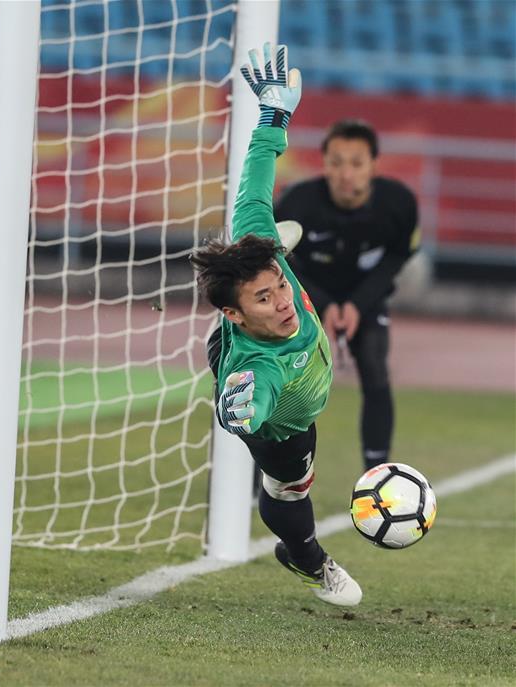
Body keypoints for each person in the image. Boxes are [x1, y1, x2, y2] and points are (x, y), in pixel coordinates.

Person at [191, 43, 361, 606]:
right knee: (289, 491)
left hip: (247, 336)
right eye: (265, 297)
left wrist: (273, 114)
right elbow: (254, 398)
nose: (284, 301)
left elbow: (255, 177)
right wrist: (241, 411)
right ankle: (307, 557)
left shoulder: (261, 249)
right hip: (279, 420)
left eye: (279, 287)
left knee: (259, 230)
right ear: (236, 311)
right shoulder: (259, 367)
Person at [274, 119, 419, 472]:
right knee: (283, 379)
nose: (345, 173)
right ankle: (266, 473)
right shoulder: (298, 203)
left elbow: (398, 255)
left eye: (356, 163)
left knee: (374, 365)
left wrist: (357, 304)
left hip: (365, 298)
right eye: (336, 162)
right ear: (323, 164)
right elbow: (279, 260)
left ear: (374, 165)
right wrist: (321, 304)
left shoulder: (399, 204)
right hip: (303, 298)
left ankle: (378, 474)